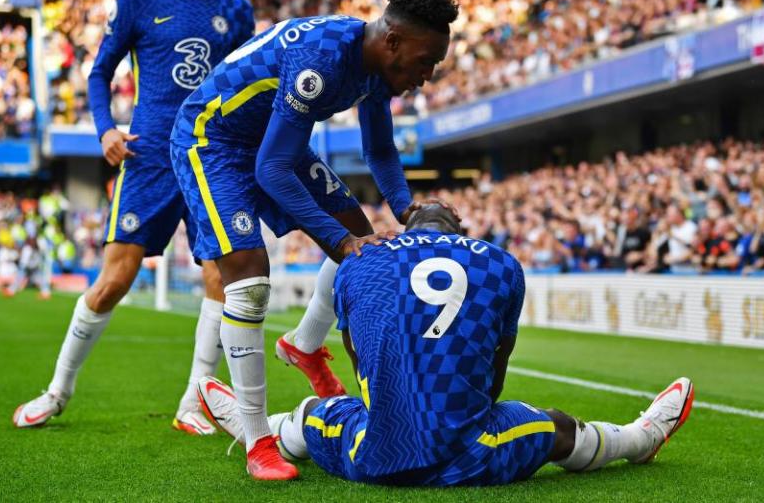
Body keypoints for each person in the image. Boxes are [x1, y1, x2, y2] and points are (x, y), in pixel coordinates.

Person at [169, 0, 460, 480]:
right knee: (251, 282)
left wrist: (407, 209)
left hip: (269, 142)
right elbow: (272, 171)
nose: (427, 76)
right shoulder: (321, 62)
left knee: (362, 242)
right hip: (212, 140)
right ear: (392, 39)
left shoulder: (373, 66)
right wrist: (342, 242)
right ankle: (258, 441)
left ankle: (303, 345)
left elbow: (381, 150)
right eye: (425, 59)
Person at [196, 205, 694, 486]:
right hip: (473, 452)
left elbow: (364, 365)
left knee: (313, 414)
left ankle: (255, 426)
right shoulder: (500, 263)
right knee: (558, 426)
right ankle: (638, 439)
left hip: (375, 454)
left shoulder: (362, 261)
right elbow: (494, 379)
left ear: (408, 227)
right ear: (458, 228)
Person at [12, 0, 254, 437]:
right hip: (148, 161)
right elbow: (99, 73)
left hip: (209, 158)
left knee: (220, 275)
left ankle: (195, 401)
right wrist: (106, 129)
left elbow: (245, 86)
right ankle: (57, 391)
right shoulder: (139, 3)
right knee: (114, 281)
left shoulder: (235, 12)